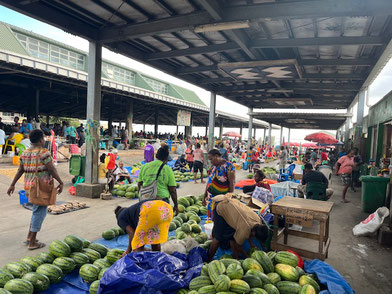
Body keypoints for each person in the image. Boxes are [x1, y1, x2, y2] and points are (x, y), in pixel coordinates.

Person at [7, 129, 63, 250]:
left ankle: (29, 236)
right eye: (43, 138)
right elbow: (52, 169)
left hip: (29, 187)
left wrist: (12, 184)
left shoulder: (25, 153)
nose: (44, 140)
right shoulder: (44, 152)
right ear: (40, 139)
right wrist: (61, 182)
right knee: (39, 212)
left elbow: (20, 170)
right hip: (41, 188)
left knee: (36, 210)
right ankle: (32, 243)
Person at [208, 194, 269, 260]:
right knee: (218, 238)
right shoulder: (244, 230)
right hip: (221, 207)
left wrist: (251, 244)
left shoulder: (258, 220)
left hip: (232, 208)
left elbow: (250, 233)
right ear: (254, 233)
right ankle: (209, 258)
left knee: (232, 236)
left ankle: (235, 258)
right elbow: (238, 246)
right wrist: (246, 256)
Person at [138, 145, 179, 214]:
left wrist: (142, 197)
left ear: (156, 156)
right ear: (166, 157)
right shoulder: (167, 169)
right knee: (161, 222)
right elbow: (172, 190)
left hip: (145, 200)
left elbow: (139, 184)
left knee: (148, 221)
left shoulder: (144, 167)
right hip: (161, 201)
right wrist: (176, 205)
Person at [202, 149, 235, 220]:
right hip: (211, 200)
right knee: (213, 219)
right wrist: (204, 197)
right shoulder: (213, 168)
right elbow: (209, 183)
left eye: (211, 159)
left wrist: (229, 197)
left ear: (217, 156)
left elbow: (231, 183)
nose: (210, 161)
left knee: (221, 219)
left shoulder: (228, 166)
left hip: (222, 200)